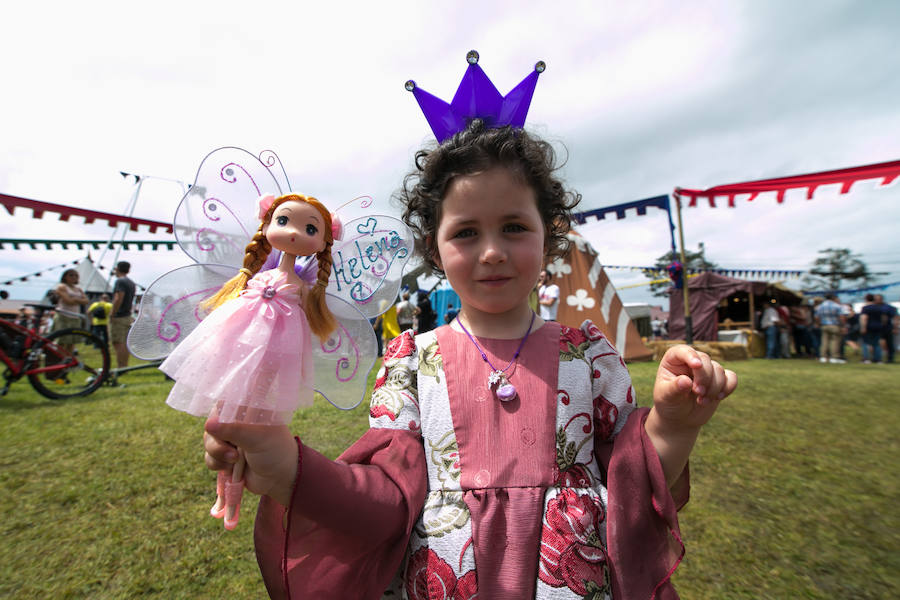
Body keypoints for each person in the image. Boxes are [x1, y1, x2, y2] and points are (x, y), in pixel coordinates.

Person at [203, 55, 737, 599]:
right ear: (433, 247)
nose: (491, 253)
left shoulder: (590, 357)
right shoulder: (410, 363)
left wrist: (673, 427)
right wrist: (283, 464)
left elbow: (634, 481)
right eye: (464, 233)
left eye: (513, 227)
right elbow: (383, 502)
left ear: (548, 236)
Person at [163, 193, 337, 529]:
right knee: (228, 429)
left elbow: (300, 324)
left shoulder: (301, 286)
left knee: (247, 432)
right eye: (283, 221)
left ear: (321, 242)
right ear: (267, 225)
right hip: (240, 353)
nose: (293, 233)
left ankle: (233, 499)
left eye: (309, 228)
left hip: (274, 359)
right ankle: (222, 494)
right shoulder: (259, 277)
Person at [51, 268, 89, 354]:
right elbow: (68, 301)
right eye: (71, 275)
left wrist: (74, 299)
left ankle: (68, 360)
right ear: (65, 277)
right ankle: (58, 359)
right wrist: (78, 299)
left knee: (71, 342)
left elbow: (86, 301)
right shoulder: (62, 287)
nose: (73, 277)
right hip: (63, 316)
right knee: (61, 341)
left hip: (75, 316)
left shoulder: (78, 289)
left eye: (76, 275)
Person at [110, 261, 137, 370]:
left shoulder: (120, 281)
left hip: (119, 316)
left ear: (117, 269)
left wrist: (112, 313)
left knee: (118, 342)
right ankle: (124, 366)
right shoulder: (131, 282)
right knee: (125, 342)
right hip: (127, 315)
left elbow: (118, 298)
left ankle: (121, 366)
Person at [814, 293, 847, 364]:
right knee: (834, 341)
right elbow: (841, 317)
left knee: (824, 341)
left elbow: (816, 317)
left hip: (824, 325)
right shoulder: (837, 306)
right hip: (835, 325)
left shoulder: (820, 306)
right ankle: (834, 357)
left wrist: (818, 323)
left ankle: (823, 357)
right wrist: (843, 325)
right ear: (833, 298)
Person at [859, 294, 884, 364]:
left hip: (869, 327)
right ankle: (878, 359)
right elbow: (883, 318)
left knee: (866, 343)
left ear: (866, 299)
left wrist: (863, 327)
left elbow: (864, 318)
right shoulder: (879, 308)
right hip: (878, 327)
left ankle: (866, 358)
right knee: (876, 344)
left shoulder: (866, 308)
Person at [875, 294, 897, 364]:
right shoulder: (873, 307)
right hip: (877, 328)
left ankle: (890, 358)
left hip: (887, 328)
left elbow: (895, 318)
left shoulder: (888, 307)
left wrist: (895, 327)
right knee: (879, 343)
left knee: (889, 344)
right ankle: (879, 358)